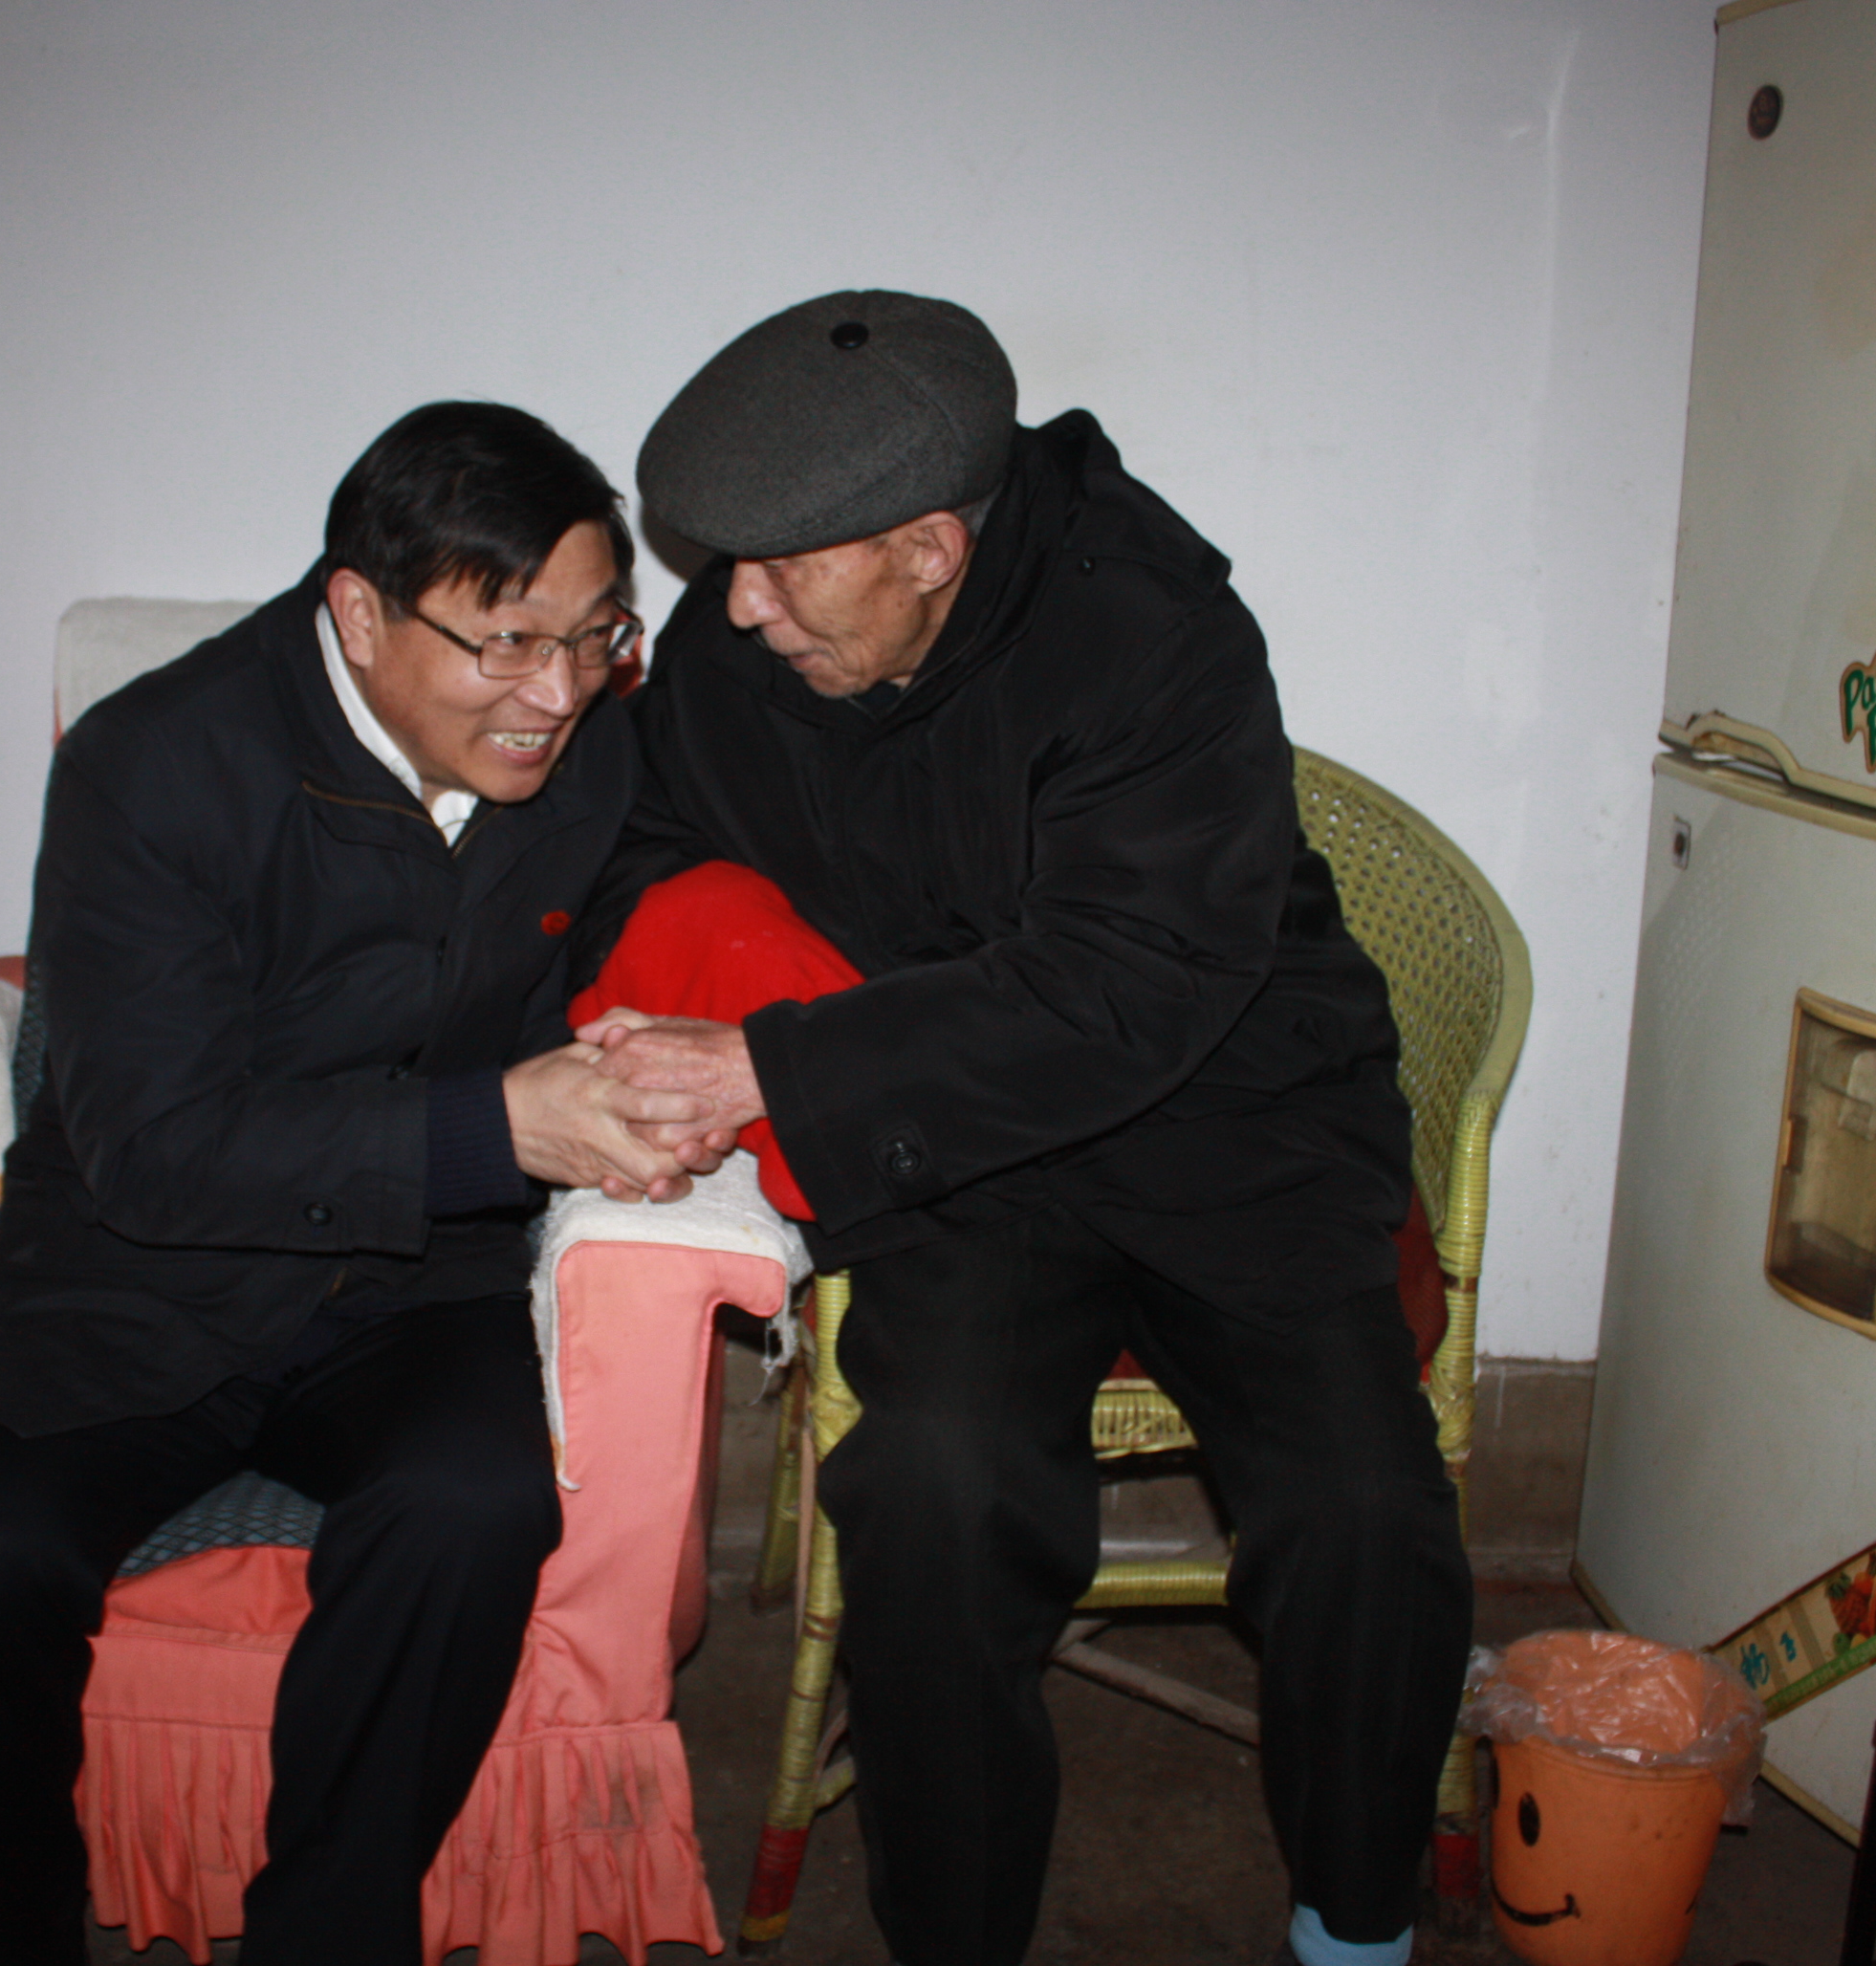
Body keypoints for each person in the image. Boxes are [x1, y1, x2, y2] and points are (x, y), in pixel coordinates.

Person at [577, 293, 1474, 1966]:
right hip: (958, 1145)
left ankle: (1357, 1927)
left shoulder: (1153, 633)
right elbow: (627, 838)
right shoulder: (739, 648)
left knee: (1364, 1508)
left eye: (780, 569)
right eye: (729, 565)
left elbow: (1126, 986)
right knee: (933, 1496)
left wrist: (779, 1065)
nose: (737, 605)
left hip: (1229, 1119)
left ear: (930, 548)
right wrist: (659, 987)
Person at [0, 402, 721, 1966]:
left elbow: (659, 901)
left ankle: (329, 1932)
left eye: (595, 637)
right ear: (361, 613)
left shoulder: (593, 745)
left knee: (472, 1506)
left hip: (415, 1280)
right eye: (509, 644)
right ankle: (12, 1930)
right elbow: (151, 1147)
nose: (556, 695)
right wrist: (501, 1128)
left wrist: (673, 1060)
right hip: (133, 1273)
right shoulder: (153, 766)